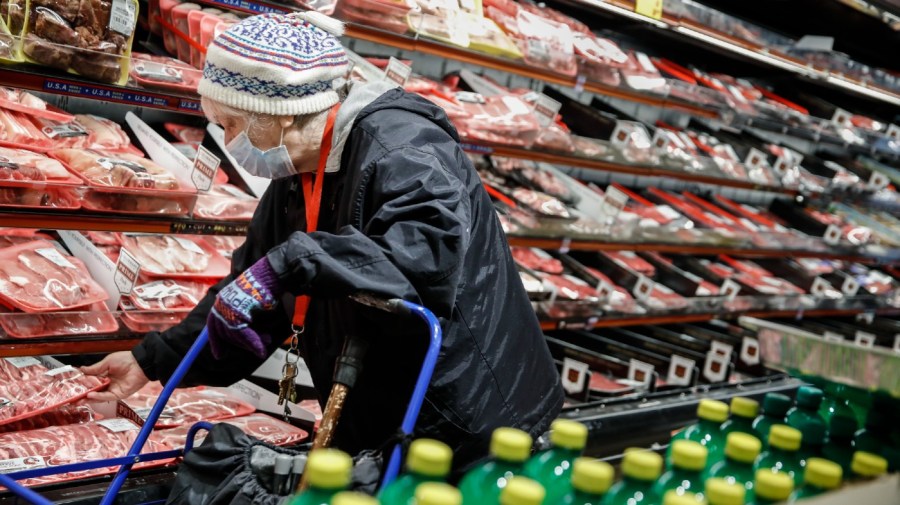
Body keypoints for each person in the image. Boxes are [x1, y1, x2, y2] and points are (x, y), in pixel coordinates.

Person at [82, 12, 562, 471]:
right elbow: (251, 291)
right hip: (381, 414)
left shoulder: (404, 147)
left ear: (281, 114)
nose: (225, 139)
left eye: (229, 123)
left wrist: (292, 262)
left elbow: (421, 263)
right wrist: (150, 360)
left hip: (470, 422)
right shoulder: (296, 171)